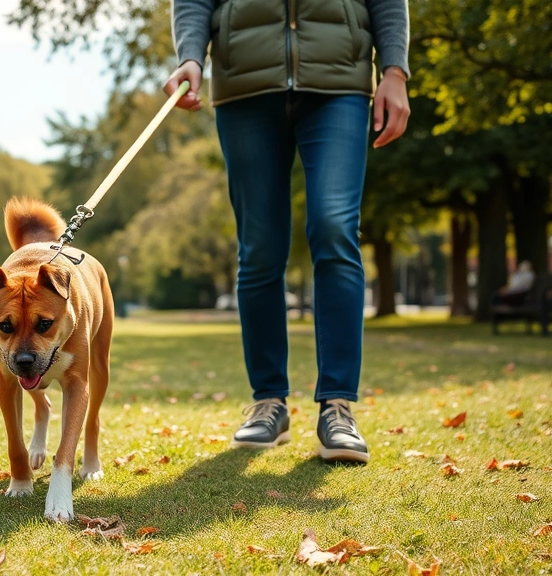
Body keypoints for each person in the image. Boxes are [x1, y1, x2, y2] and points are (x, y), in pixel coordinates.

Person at [165, 0, 411, 463]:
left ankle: (338, 406)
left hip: (339, 82)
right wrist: (191, 56)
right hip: (245, 86)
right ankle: (268, 402)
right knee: (259, 248)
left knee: (336, 228)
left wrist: (394, 71)